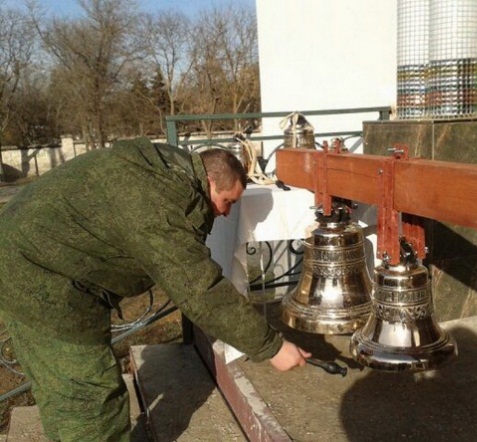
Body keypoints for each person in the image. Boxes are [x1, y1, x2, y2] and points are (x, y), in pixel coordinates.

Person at [0, 137, 311, 441]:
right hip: (40, 279)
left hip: (34, 263)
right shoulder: (159, 202)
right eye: (227, 202)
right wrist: (271, 346)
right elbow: (201, 290)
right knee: (88, 399)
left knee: (65, 394)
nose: (226, 212)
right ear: (210, 181)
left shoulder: (165, 170)